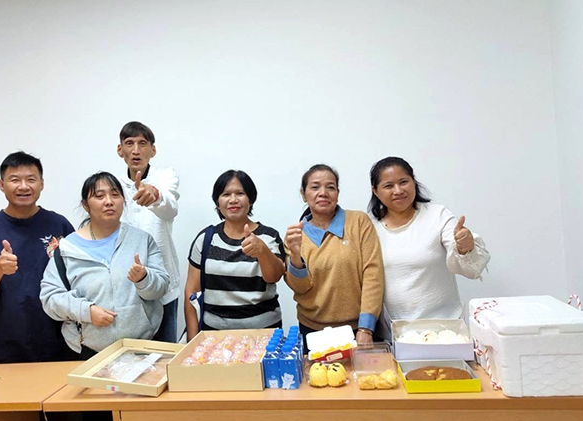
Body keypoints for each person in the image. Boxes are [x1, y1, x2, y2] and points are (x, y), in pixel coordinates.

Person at [41, 171, 169, 421]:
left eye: (115, 195)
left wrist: (143, 279)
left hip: (141, 350)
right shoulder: (67, 249)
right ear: (86, 205)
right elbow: (50, 298)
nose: (109, 201)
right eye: (99, 196)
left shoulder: (140, 239)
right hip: (93, 354)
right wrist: (87, 311)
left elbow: (162, 286)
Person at [0, 151, 79, 421]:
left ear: (41, 184)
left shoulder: (60, 225)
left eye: (31, 179)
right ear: (1, 185)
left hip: (62, 347)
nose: (23, 186)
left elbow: (80, 279)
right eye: (15, 179)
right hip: (9, 352)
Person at [368, 156, 490, 327]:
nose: (398, 190)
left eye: (403, 182)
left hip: (444, 327)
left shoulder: (438, 216)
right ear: (375, 191)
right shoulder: (369, 227)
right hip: (395, 331)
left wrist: (465, 247)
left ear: (414, 182)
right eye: (388, 186)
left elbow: (470, 268)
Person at [284, 164, 384, 351]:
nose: (323, 193)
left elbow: (373, 273)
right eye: (315, 187)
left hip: (358, 329)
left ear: (338, 192)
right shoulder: (295, 234)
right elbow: (301, 288)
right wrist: (295, 255)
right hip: (312, 331)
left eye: (330, 187)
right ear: (303, 194)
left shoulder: (359, 222)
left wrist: (366, 328)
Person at [184, 170, 286, 341]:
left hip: (264, 337)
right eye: (226, 194)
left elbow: (274, 276)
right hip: (214, 338)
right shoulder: (206, 239)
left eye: (240, 193)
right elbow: (192, 291)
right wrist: (192, 342)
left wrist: (262, 251)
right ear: (217, 201)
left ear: (251, 199)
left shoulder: (268, 236)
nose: (233, 200)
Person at [116, 121, 181, 342]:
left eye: (142, 143)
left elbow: (170, 208)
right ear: (120, 150)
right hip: (126, 285)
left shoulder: (166, 176)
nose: (136, 150)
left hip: (163, 280)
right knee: (130, 355)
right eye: (129, 143)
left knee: (164, 355)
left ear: (152, 150)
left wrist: (155, 195)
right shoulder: (113, 185)